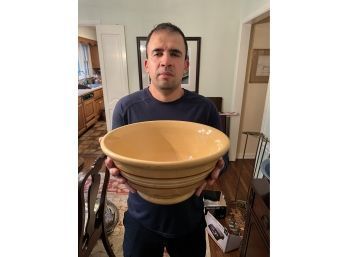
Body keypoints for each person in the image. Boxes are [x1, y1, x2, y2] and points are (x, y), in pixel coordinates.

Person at [104, 22, 227, 257]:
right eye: (158, 53)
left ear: (185, 64)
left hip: (188, 220)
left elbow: (225, 160)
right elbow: (114, 158)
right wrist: (114, 170)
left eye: (175, 53)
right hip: (141, 219)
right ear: (147, 64)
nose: (166, 60)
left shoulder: (205, 109)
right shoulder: (125, 108)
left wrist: (218, 169)